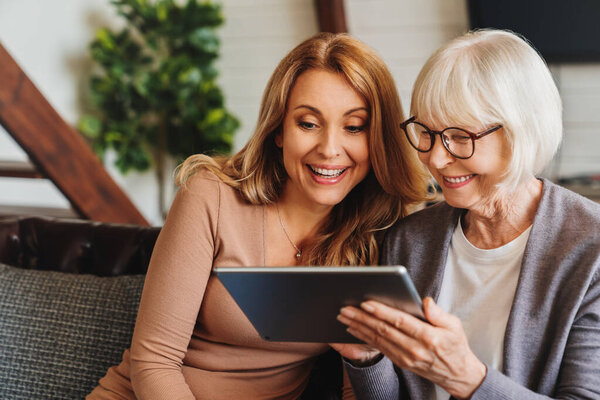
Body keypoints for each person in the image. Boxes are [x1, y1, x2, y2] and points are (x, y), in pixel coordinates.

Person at [87, 32, 428, 400]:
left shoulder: (381, 234)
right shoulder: (211, 196)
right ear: (279, 130)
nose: (330, 149)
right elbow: (154, 361)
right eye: (308, 123)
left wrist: (367, 360)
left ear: (377, 139)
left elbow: (357, 391)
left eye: (354, 126)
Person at [333, 29, 600, 399]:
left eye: (460, 136)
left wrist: (467, 378)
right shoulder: (409, 240)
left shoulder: (591, 250)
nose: (436, 160)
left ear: (521, 129)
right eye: (426, 132)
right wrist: (367, 359)